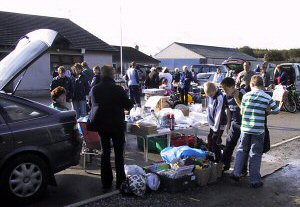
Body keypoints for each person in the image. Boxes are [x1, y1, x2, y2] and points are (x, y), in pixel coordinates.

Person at [89, 65, 133, 191]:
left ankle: (106, 182)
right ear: (112, 75)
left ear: (102, 75)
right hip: (116, 125)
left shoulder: (95, 89)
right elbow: (128, 105)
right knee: (119, 154)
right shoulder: (118, 89)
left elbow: (90, 105)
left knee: (105, 153)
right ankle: (120, 182)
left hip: (102, 125)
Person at [232, 75, 280, 188]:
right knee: (255, 154)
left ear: (252, 84)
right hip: (258, 130)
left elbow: (242, 112)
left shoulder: (246, 96)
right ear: (262, 85)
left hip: (245, 129)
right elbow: (277, 110)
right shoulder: (267, 97)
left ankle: (236, 173)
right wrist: (268, 112)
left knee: (241, 150)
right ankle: (255, 180)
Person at [220, 77, 247, 174]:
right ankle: (224, 166)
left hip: (244, 124)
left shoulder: (242, 93)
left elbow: (245, 109)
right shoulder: (225, 97)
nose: (225, 91)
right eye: (223, 90)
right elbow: (228, 111)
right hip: (234, 123)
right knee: (229, 144)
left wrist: (236, 98)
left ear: (232, 87)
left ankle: (242, 170)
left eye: (226, 89)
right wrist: (228, 124)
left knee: (242, 148)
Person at [204, 82, 227, 162]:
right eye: (208, 95)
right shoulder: (210, 96)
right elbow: (209, 109)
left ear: (214, 91)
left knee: (215, 141)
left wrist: (215, 128)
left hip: (219, 124)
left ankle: (218, 160)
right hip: (213, 124)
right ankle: (211, 158)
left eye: (210, 94)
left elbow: (218, 114)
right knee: (210, 139)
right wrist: (209, 122)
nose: (209, 96)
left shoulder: (219, 97)